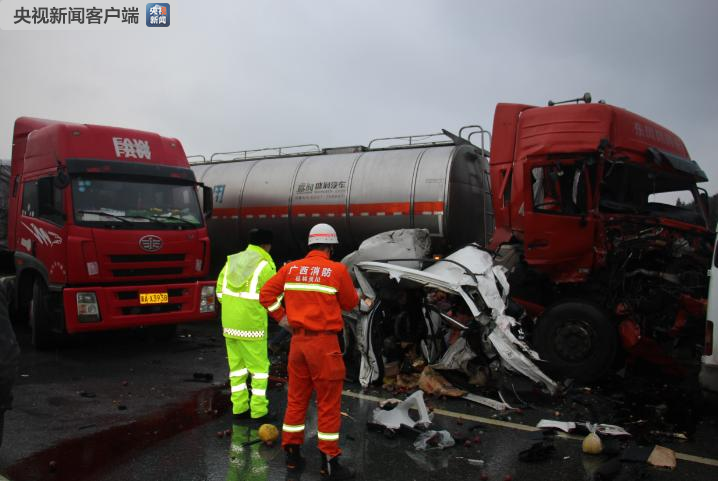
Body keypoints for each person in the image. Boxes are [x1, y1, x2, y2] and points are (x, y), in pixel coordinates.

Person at [260, 223, 359, 480]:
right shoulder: (336, 270)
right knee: (327, 403)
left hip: (298, 345)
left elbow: (266, 294)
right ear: (331, 247)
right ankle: (329, 461)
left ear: (310, 245)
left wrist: (284, 320)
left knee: (296, 399)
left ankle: (292, 454)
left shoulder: (291, 268)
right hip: (324, 346)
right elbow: (350, 303)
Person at [216, 228, 276, 423]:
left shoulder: (232, 261)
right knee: (259, 370)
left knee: (237, 369)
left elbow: (219, 292)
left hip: (230, 325)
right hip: (252, 326)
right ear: (266, 245)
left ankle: (239, 408)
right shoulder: (265, 265)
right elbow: (273, 296)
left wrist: (235, 309)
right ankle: (259, 412)